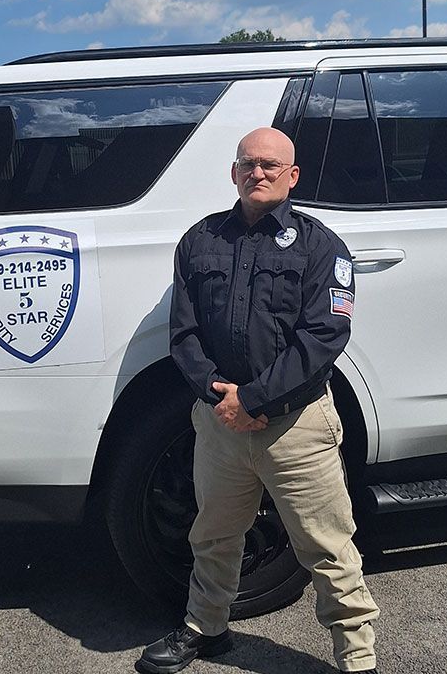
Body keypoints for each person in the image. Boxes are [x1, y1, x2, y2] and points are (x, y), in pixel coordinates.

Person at [137, 127, 380, 674]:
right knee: (214, 534)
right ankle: (206, 628)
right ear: (233, 172)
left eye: (271, 165)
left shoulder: (322, 247)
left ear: (292, 176)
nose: (258, 173)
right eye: (248, 163)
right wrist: (220, 396)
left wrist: (255, 396)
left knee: (327, 546)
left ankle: (357, 657)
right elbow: (183, 333)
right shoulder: (200, 241)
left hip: (296, 425)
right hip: (220, 421)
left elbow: (323, 337)